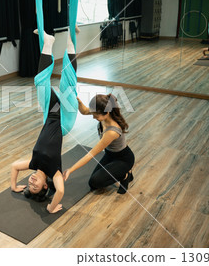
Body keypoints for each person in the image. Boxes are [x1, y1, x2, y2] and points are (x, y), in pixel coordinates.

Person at [10, 27, 79, 213]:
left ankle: (49, 43)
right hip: (64, 122)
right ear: (45, 186)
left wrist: (14, 186)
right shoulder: (53, 172)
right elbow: (61, 191)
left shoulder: (32, 164)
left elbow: (14, 167)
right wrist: (51, 207)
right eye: (35, 186)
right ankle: (71, 41)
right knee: (68, 82)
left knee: (40, 82)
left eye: (29, 184)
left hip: (50, 116)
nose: (31, 182)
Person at [63, 94, 135, 194]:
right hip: (110, 155)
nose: (93, 117)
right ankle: (122, 173)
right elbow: (84, 111)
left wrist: (70, 170)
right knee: (92, 184)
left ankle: (125, 174)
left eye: (96, 116)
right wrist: (78, 101)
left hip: (123, 159)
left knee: (95, 182)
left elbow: (90, 154)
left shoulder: (112, 132)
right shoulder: (101, 110)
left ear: (107, 113)